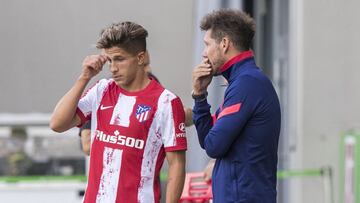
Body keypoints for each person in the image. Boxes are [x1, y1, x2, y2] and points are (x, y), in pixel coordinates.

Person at [50, 21, 187, 203]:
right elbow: (57, 124)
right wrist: (84, 77)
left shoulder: (166, 101)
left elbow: (176, 165)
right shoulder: (102, 89)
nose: (113, 68)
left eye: (120, 59)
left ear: (140, 58)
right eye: (109, 60)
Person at [191, 9, 281, 202]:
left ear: (224, 44)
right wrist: (199, 96)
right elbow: (208, 139)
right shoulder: (243, 82)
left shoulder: (247, 83)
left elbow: (213, 146)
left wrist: (199, 100)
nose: (204, 53)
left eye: (207, 44)